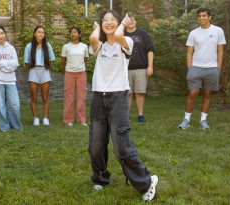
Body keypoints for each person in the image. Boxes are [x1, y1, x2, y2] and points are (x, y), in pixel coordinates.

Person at [88, 10, 158, 202]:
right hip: (98, 97)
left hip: (118, 97)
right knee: (96, 144)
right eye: (105, 20)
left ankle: (147, 180)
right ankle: (100, 178)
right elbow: (93, 38)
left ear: (120, 23)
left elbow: (118, 34)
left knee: (121, 146)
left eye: (113, 20)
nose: (109, 23)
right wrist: (97, 28)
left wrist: (124, 24)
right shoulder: (100, 45)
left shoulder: (126, 42)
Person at [178, 8, 226, 130]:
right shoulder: (193, 33)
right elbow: (189, 53)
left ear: (209, 17)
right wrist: (190, 69)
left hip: (212, 68)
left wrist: (217, 69)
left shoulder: (218, 31)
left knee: (207, 94)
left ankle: (203, 120)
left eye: (204, 16)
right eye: (199, 16)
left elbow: (220, 52)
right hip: (196, 68)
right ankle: (186, 120)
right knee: (192, 93)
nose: (201, 18)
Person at [0, 26, 23, 132]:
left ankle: (16, 126)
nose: (0, 36)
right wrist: (8, 65)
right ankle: (4, 127)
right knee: (0, 105)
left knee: (15, 104)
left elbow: (15, 64)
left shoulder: (11, 48)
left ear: (5, 34)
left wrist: (3, 67)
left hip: (10, 80)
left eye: (2, 33)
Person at [124, 12, 155, 123]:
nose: (131, 21)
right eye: (129, 19)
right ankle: (125, 116)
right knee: (127, 94)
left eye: (133, 19)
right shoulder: (121, 34)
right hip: (125, 69)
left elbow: (150, 50)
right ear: (125, 21)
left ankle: (140, 115)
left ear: (136, 21)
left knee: (139, 92)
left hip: (141, 68)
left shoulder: (142, 33)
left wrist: (150, 66)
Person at [23, 25, 55, 126]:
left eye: (43, 32)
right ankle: (35, 118)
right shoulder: (29, 46)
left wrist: (45, 67)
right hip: (33, 71)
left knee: (45, 97)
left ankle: (45, 118)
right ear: (34, 33)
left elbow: (50, 61)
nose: (41, 34)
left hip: (44, 71)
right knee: (34, 97)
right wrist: (32, 69)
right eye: (39, 32)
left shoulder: (48, 46)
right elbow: (26, 63)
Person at [61, 26, 89, 127]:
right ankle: (68, 120)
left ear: (79, 34)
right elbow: (63, 62)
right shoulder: (66, 47)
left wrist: (81, 68)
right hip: (69, 73)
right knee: (69, 97)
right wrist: (68, 70)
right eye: (71, 32)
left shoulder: (84, 46)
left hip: (81, 73)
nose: (73, 34)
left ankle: (81, 119)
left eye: (75, 32)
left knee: (81, 97)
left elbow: (85, 60)